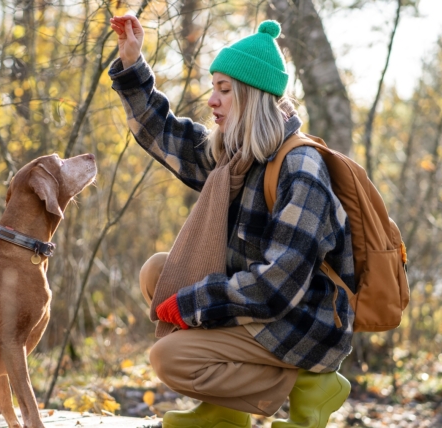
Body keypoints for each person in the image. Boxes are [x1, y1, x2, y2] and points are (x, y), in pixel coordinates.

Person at [109, 14, 354, 428]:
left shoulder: (301, 168)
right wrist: (133, 65)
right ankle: (226, 413)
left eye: (225, 90)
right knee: (158, 272)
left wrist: (194, 304)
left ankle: (310, 385)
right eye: (213, 88)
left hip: (305, 321)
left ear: (253, 97)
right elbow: (167, 137)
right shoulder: (236, 158)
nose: (212, 101)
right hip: (266, 308)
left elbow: (276, 287)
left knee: (169, 357)